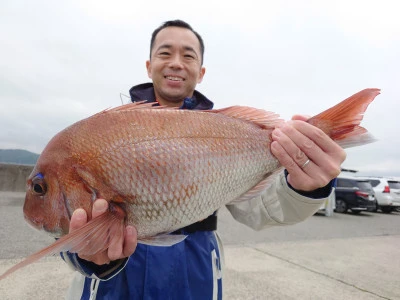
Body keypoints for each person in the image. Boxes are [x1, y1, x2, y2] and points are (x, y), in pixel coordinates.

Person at [63, 20, 344, 299]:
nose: (176, 62)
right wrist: (88, 256)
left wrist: (305, 187)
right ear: (149, 66)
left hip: (194, 276)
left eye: (188, 55)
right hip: (115, 283)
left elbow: (262, 208)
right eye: (164, 53)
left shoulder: (224, 130)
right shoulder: (105, 133)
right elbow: (64, 231)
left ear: (201, 71)